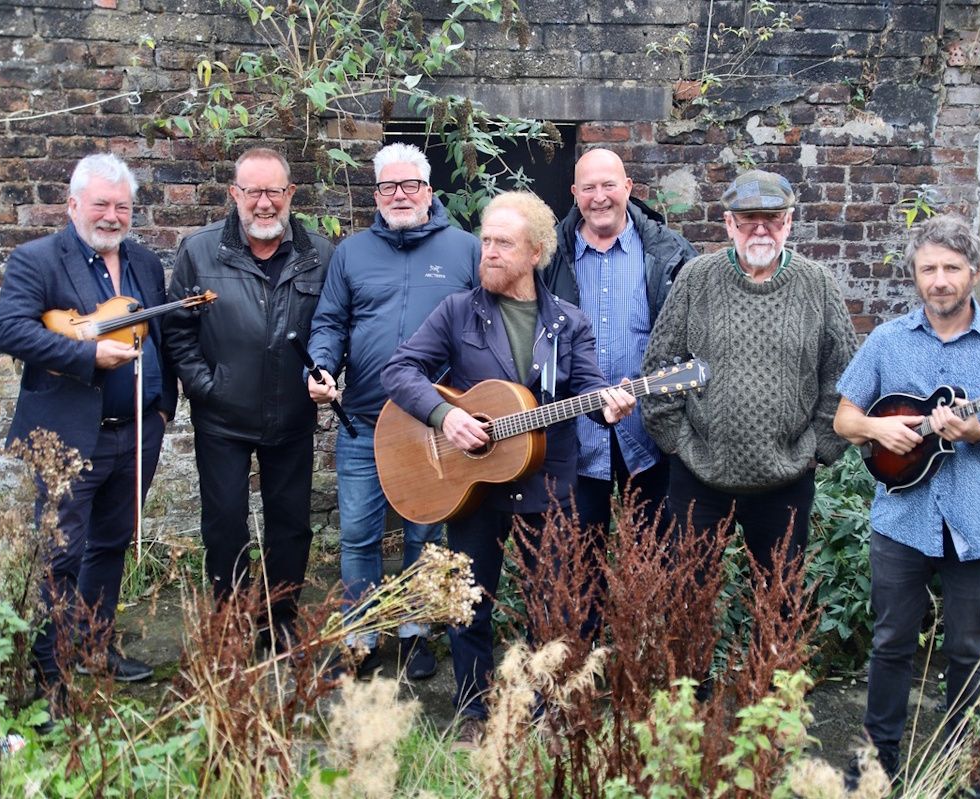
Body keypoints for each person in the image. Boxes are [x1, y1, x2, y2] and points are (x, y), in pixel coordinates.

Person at [380, 191, 635, 748]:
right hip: (472, 484)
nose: (488, 253)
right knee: (470, 602)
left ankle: (543, 710)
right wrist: (445, 415)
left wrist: (610, 403)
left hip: (548, 482)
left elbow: (590, 389)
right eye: (486, 242)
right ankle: (473, 710)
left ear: (536, 252)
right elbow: (400, 371)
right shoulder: (457, 311)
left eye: (502, 244)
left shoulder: (568, 323)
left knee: (551, 605)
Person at [834, 214, 980, 791]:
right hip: (902, 520)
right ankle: (877, 768)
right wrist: (879, 431)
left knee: (969, 650)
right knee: (890, 644)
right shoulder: (886, 340)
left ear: (974, 272)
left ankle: (961, 771)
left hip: (976, 521)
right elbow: (844, 417)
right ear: (916, 276)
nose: (941, 280)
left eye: (952, 268)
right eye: (929, 269)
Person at [0, 153, 178, 710]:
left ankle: (95, 647)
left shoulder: (145, 263)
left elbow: (159, 337)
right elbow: (10, 331)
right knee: (59, 553)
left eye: (122, 206)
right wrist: (86, 354)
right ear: (73, 204)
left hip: (135, 434)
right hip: (68, 435)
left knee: (111, 545)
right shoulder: (38, 260)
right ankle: (52, 675)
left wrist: (162, 408)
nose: (112, 215)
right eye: (100, 203)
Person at [307, 143, 480, 681]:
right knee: (357, 533)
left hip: (435, 425)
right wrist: (319, 366)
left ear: (430, 191)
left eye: (410, 186)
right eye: (388, 187)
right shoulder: (351, 255)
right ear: (376, 194)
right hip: (362, 422)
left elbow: (483, 329)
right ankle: (359, 638)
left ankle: (413, 634)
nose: (399, 195)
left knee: (422, 534)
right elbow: (329, 323)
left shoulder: (465, 250)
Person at [641, 168, 857, 578]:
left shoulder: (818, 285)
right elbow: (659, 367)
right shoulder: (697, 278)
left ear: (789, 221)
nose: (761, 230)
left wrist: (819, 448)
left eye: (773, 219)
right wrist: (676, 441)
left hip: (785, 483)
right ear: (729, 224)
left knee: (780, 607)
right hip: (699, 480)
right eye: (747, 220)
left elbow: (844, 377)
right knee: (687, 602)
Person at [163, 147, 335, 652]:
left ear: (291, 195)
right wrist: (206, 386)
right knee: (224, 527)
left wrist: (325, 370)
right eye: (253, 192)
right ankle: (231, 622)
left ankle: (279, 619)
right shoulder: (200, 251)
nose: (264, 204)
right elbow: (177, 332)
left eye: (274, 192)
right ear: (235, 193)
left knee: (291, 528)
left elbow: (332, 326)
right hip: (223, 420)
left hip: (292, 417)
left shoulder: (319, 254)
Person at [541, 148, 696, 531]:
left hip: (652, 435)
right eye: (589, 187)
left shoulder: (671, 253)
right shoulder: (548, 257)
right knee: (578, 571)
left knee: (655, 562)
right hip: (574, 436)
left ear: (627, 187)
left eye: (609, 185)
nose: (599, 197)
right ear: (574, 192)